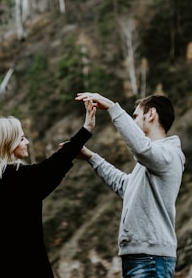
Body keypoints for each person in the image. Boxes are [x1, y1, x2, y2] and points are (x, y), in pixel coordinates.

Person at [0, 99, 96, 278]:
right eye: (21, 138)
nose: (27, 141)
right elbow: (49, 170)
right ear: (7, 144)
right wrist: (86, 129)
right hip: (26, 265)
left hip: (10, 263)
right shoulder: (12, 178)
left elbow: (46, 177)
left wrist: (69, 152)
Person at [74, 92, 185, 278]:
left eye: (135, 116)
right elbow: (124, 186)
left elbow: (141, 148)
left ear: (151, 115)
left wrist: (111, 107)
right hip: (138, 257)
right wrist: (91, 157)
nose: (132, 122)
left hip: (151, 259)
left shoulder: (169, 154)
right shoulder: (152, 161)